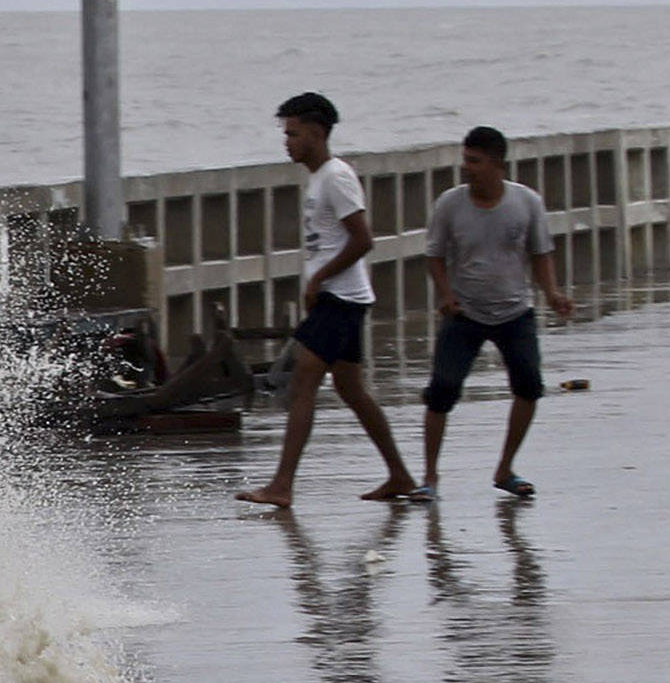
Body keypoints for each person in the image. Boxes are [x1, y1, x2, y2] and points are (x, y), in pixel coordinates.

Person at [238, 92, 420, 510]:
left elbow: (363, 239)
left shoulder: (336, 177)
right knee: (352, 389)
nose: (287, 141)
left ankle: (282, 485)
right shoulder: (319, 178)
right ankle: (400, 474)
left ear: (317, 134)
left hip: (342, 298)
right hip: (339, 299)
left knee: (303, 383)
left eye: (294, 133)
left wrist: (318, 279)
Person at [418, 126, 577, 500]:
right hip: (464, 312)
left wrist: (552, 293)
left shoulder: (526, 202)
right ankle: (429, 478)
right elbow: (435, 255)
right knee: (441, 391)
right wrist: (445, 295)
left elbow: (540, 253)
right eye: (465, 160)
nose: (467, 168)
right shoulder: (450, 204)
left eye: (475, 162)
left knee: (529, 387)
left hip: (514, 311)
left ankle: (505, 468)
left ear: (498, 164)